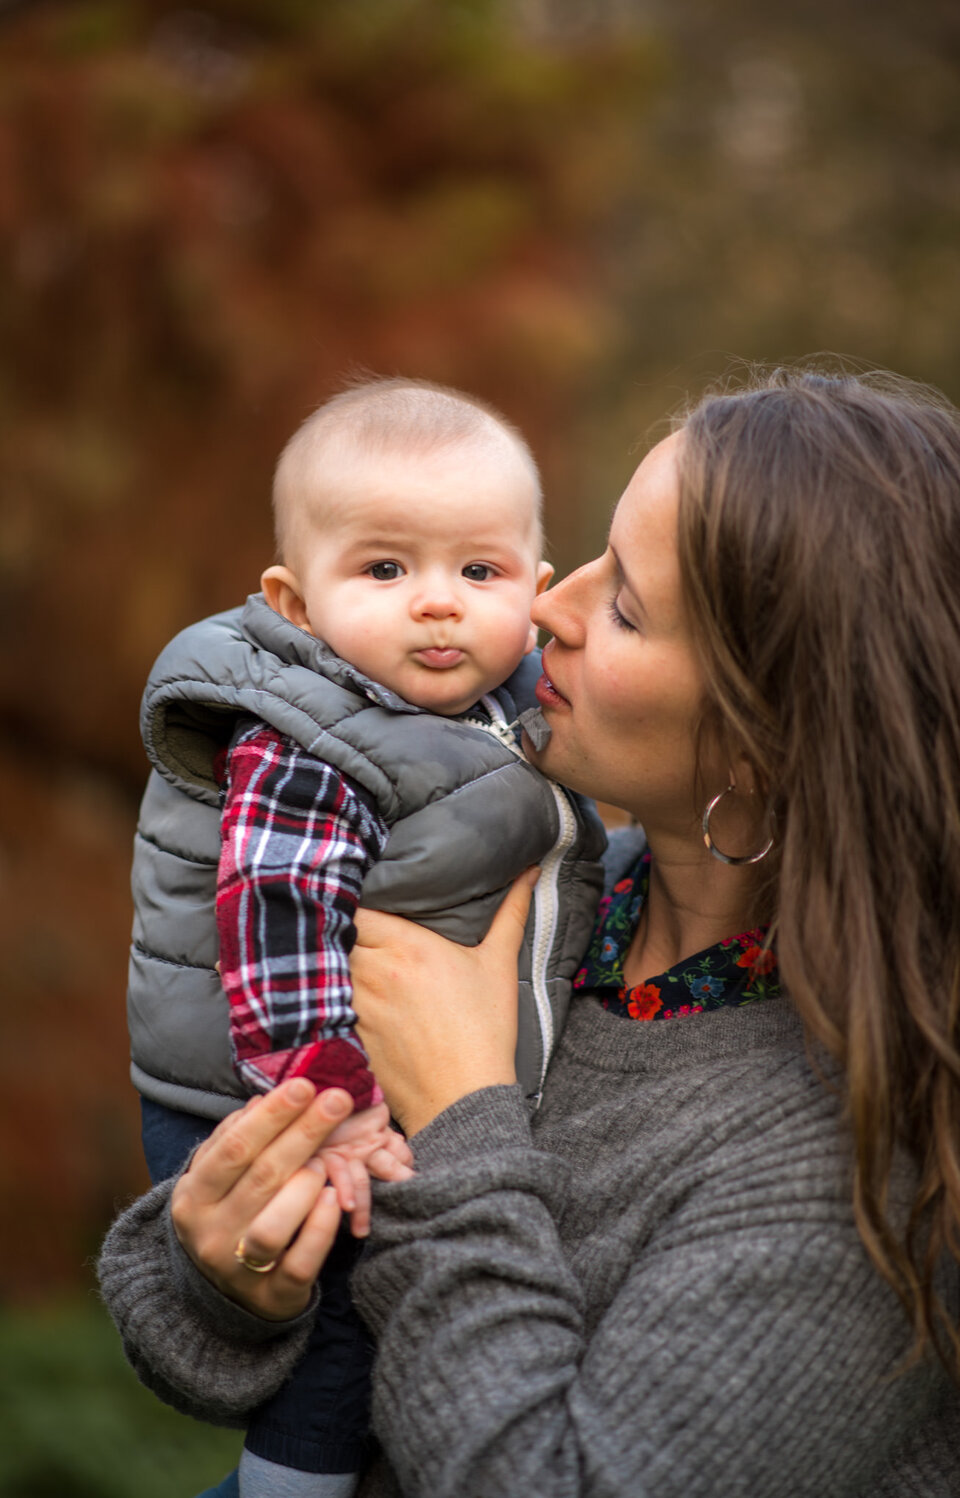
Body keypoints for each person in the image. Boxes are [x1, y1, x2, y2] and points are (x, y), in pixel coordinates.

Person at [101, 367, 960, 1497]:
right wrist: (232, 1276)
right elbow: (221, 1314)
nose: (546, 606)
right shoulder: (553, 892)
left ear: (760, 738)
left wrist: (463, 1117)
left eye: (626, 608)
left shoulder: (868, 1162)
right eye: (591, 555)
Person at [127, 376, 606, 1496]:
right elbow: (278, 911)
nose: (437, 603)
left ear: (534, 591)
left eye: (477, 572)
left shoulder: (489, 712)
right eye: (385, 569)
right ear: (293, 604)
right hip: (265, 1095)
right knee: (337, 1336)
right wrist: (325, 1103)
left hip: (335, 1088)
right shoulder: (308, 731)